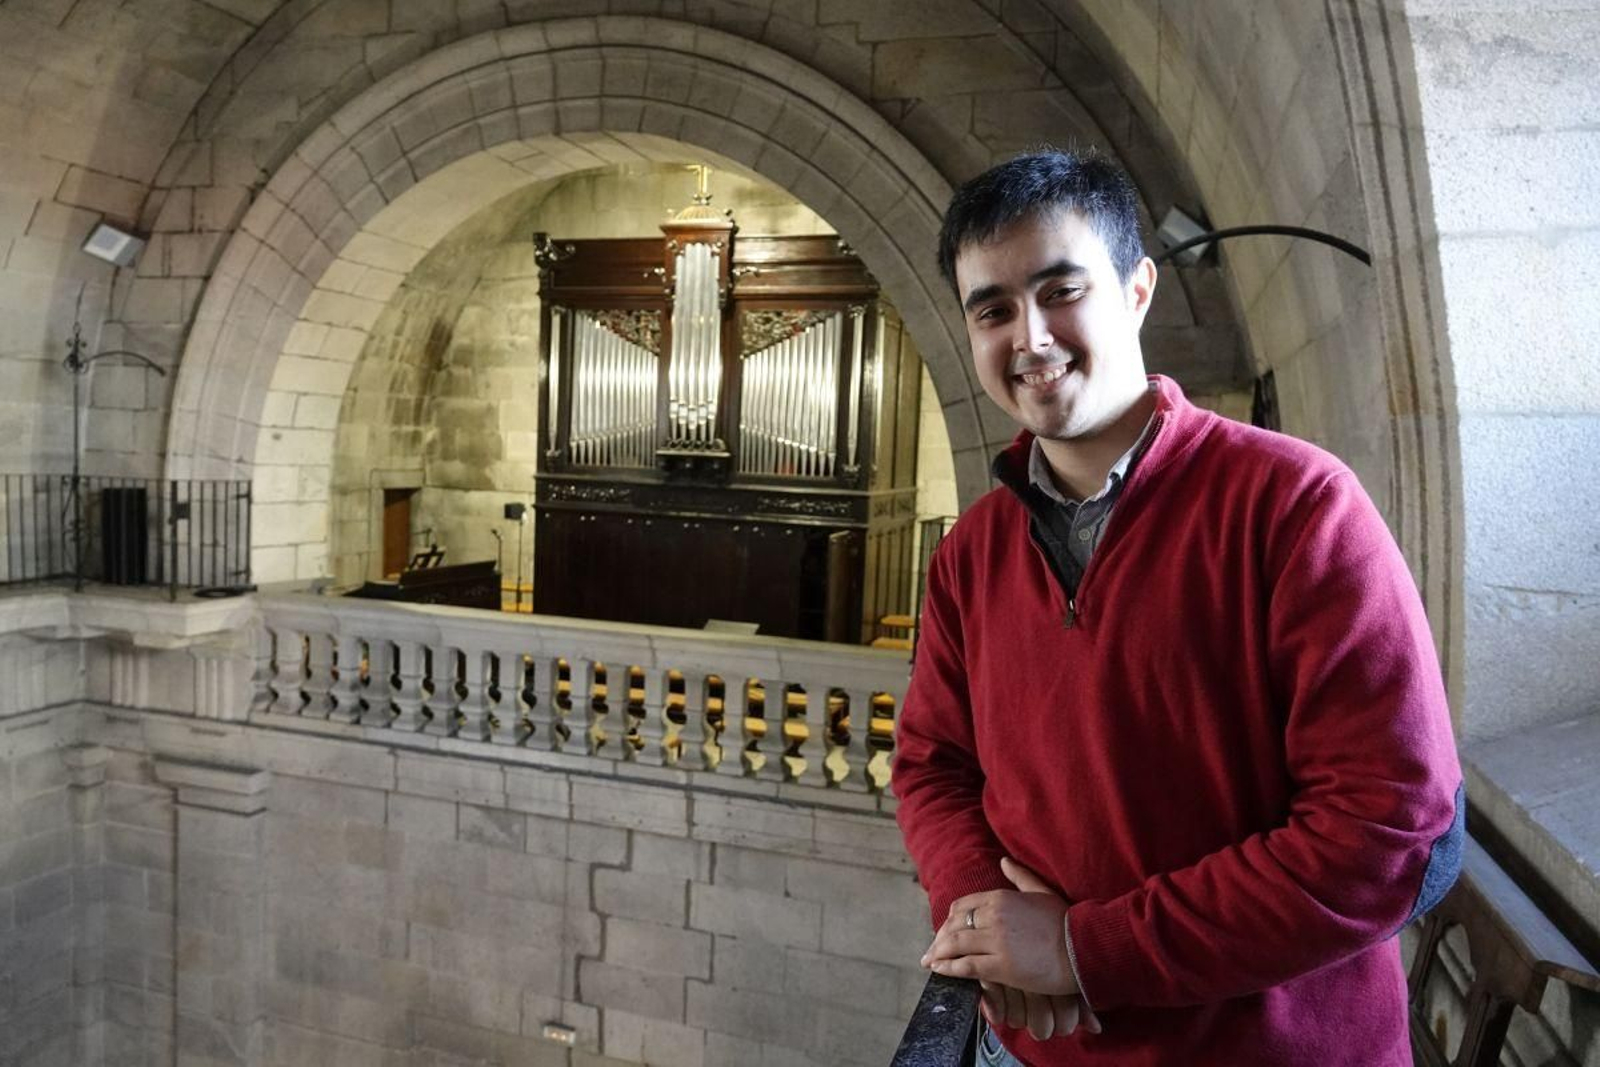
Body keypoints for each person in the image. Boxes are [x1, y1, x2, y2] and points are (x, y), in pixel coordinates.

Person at [892, 148, 1463, 1067]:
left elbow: (1383, 831)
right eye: (992, 309)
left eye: (1060, 290)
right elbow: (931, 766)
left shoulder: (1297, 505)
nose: (1029, 337)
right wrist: (985, 924)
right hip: (1037, 1051)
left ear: (1138, 289)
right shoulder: (971, 554)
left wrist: (1083, 949)